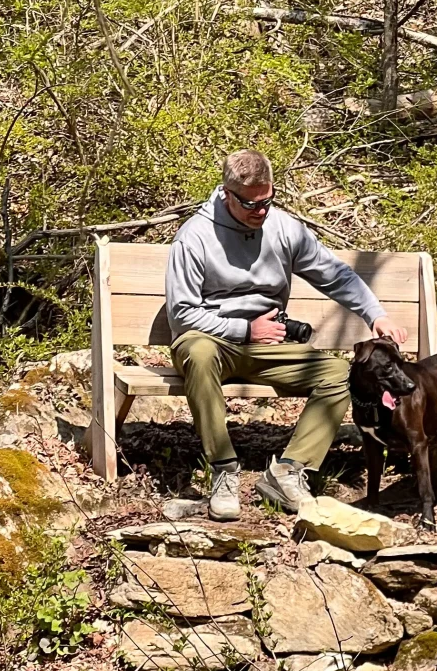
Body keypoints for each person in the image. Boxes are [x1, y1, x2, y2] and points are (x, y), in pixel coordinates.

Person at [166, 148, 407, 520]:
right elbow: (182, 314)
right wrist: (245, 329)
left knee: (340, 374)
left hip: (270, 345)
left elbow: (335, 274)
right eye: (250, 204)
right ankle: (223, 471)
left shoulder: (283, 228)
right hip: (211, 341)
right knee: (198, 354)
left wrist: (375, 314)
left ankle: (289, 471)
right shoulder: (195, 236)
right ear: (227, 193)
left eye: (267, 200)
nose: (260, 211)